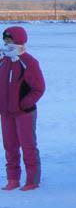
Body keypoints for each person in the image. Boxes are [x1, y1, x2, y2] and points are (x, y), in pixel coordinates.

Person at [1, 26, 45, 191]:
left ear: (18, 40)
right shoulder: (3, 61)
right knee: (10, 147)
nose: (6, 43)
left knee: (28, 146)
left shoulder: (29, 62)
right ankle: (13, 178)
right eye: (5, 40)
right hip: (5, 113)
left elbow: (39, 88)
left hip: (24, 113)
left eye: (9, 39)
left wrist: (24, 103)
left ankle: (32, 180)